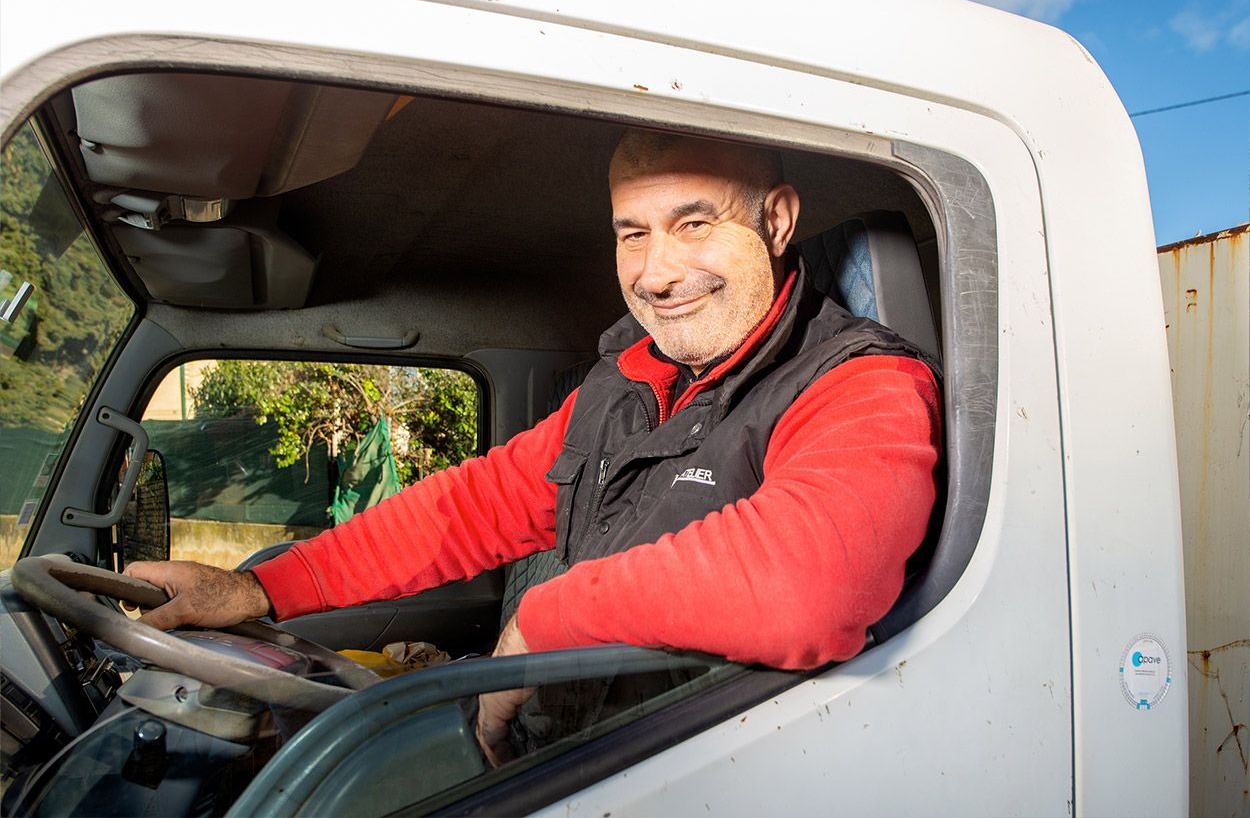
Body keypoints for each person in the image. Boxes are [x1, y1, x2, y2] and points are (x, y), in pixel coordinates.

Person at [125, 130, 942, 765]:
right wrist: (259, 588)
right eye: (632, 234)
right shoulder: (622, 384)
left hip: (687, 769)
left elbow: (807, 583)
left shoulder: (860, 383)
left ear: (777, 219)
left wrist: (542, 620)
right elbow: (469, 508)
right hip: (563, 750)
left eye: (694, 223)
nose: (656, 273)